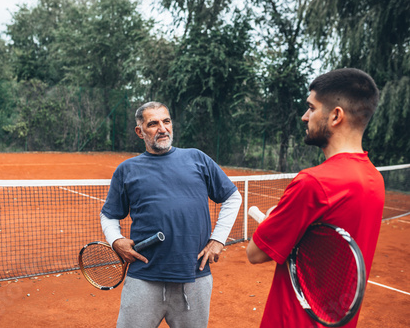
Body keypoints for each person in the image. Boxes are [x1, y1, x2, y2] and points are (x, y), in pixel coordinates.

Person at [246, 68, 385, 328]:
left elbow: (255, 253)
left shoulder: (314, 183)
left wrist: (271, 221)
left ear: (335, 116)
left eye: (311, 108)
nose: (304, 116)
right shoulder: (375, 179)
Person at [100, 101, 242, 328]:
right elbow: (109, 214)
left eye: (166, 121)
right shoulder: (126, 170)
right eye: (153, 124)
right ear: (140, 131)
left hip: (194, 276)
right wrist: (116, 240)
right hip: (144, 277)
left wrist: (217, 239)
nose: (162, 128)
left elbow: (233, 197)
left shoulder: (197, 158)